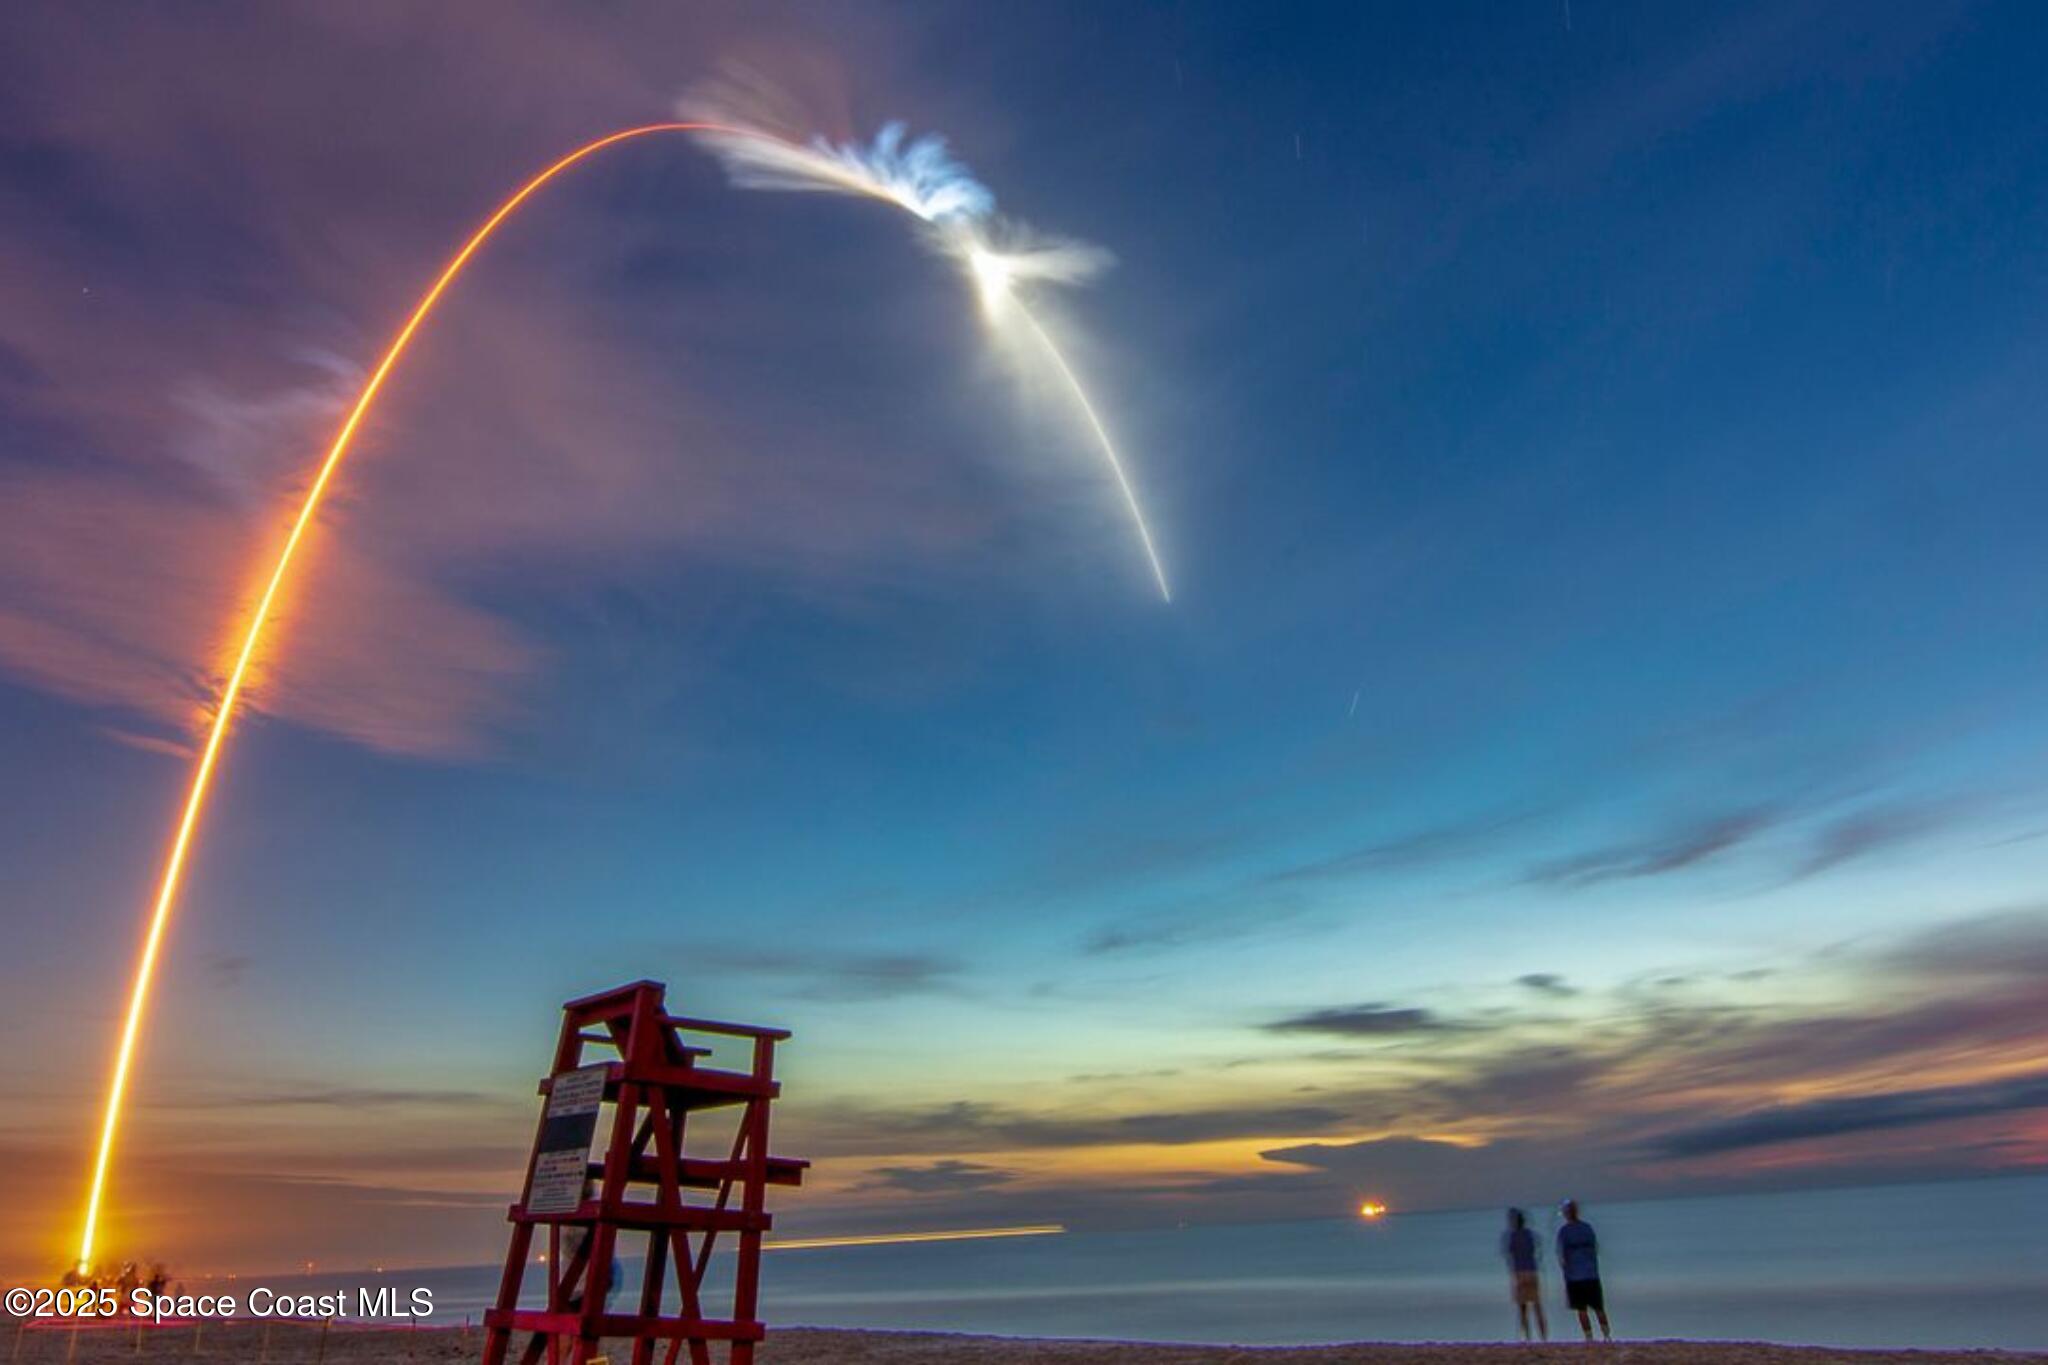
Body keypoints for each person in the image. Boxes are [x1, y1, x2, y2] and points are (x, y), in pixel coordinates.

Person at [1556, 1199, 1612, 1342]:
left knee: (1582, 1309)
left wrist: (1566, 1273)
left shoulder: (1564, 1231)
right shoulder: (1587, 1228)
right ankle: (1606, 1335)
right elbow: (1594, 1250)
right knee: (1598, 1307)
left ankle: (1589, 1338)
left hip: (1575, 1276)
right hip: (1591, 1274)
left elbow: (1563, 1256)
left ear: (1566, 1214)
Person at [1501, 1208, 1548, 1342]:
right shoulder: (1530, 1235)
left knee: (1523, 1307)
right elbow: (1536, 1250)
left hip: (1520, 1272)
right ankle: (1543, 1337)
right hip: (1532, 1270)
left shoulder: (1512, 1236)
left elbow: (1509, 1253)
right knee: (1537, 1305)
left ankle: (1526, 1337)